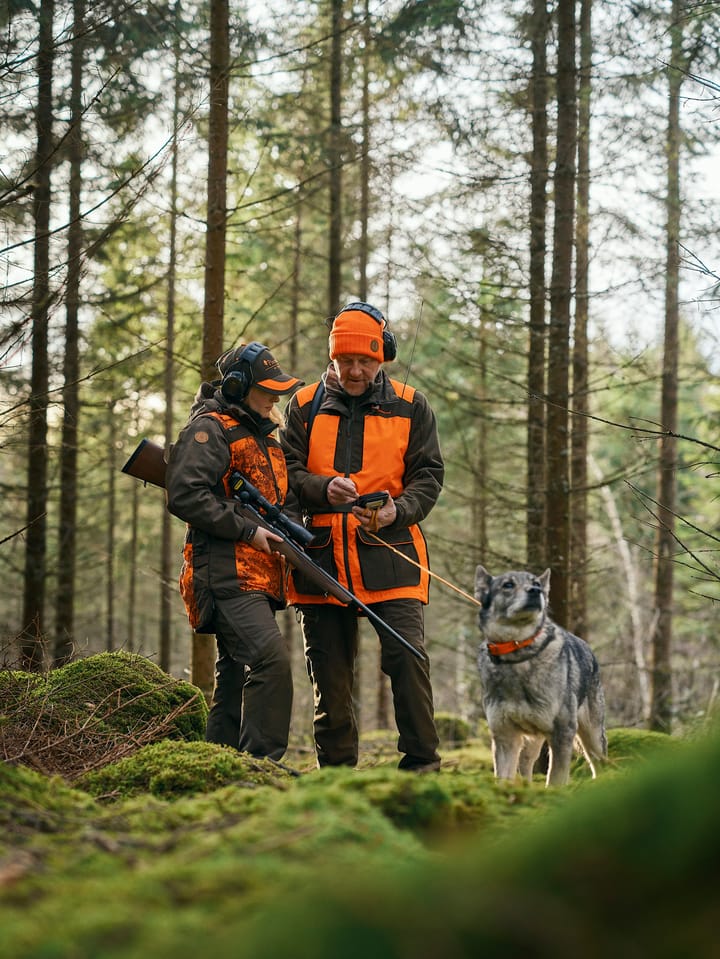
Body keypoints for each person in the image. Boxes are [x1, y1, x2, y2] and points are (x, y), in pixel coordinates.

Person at [281, 301, 444, 772]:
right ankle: (337, 777)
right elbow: (285, 472)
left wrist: (399, 510)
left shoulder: (412, 405)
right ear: (332, 358)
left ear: (382, 358)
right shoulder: (304, 404)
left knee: (408, 661)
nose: (355, 371)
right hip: (320, 559)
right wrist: (320, 488)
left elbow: (429, 476)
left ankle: (422, 769)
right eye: (345, 360)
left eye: (365, 361)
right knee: (329, 679)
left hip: (391, 555)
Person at [165, 342, 303, 760]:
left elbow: (282, 500)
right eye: (266, 389)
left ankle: (221, 761)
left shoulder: (267, 439)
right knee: (271, 663)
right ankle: (263, 765)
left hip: (258, 575)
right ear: (239, 385)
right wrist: (247, 530)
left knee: (235, 671)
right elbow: (185, 495)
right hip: (226, 573)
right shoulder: (209, 429)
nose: (274, 397)